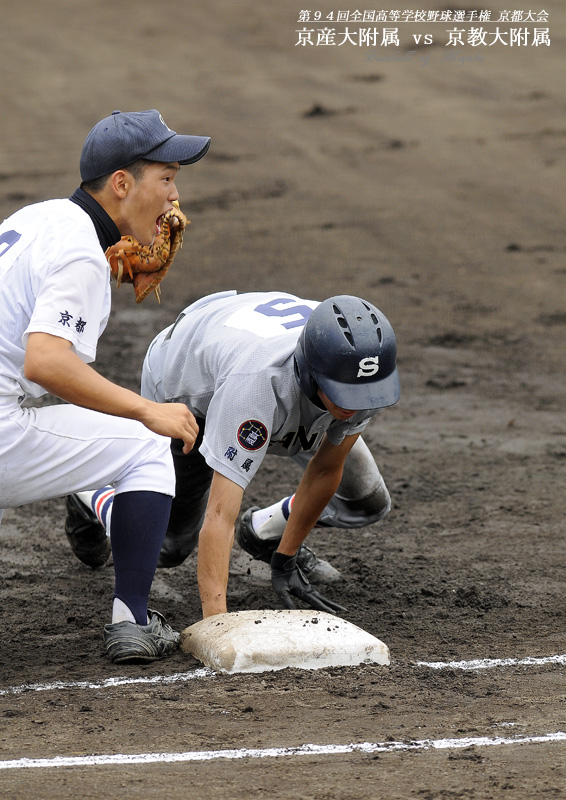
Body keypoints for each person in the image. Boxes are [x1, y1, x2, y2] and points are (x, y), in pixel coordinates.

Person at [0, 109, 211, 663]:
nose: (173, 198)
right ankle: (132, 622)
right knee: (145, 444)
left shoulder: (38, 218)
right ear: (122, 183)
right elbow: (47, 362)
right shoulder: (79, 254)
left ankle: (93, 497)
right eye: (165, 179)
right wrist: (146, 410)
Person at [67, 291, 400, 618]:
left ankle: (263, 532)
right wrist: (218, 623)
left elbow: (327, 470)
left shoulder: (355, 373)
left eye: (366, 393)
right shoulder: (256, 387)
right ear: (311, 373)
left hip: (240, 343)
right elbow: (220, 515)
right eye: (347, 394)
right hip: (186, 383)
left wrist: (286, 555)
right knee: (168, 544)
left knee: (366, 500)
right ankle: (93, 496)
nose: (358, 405)